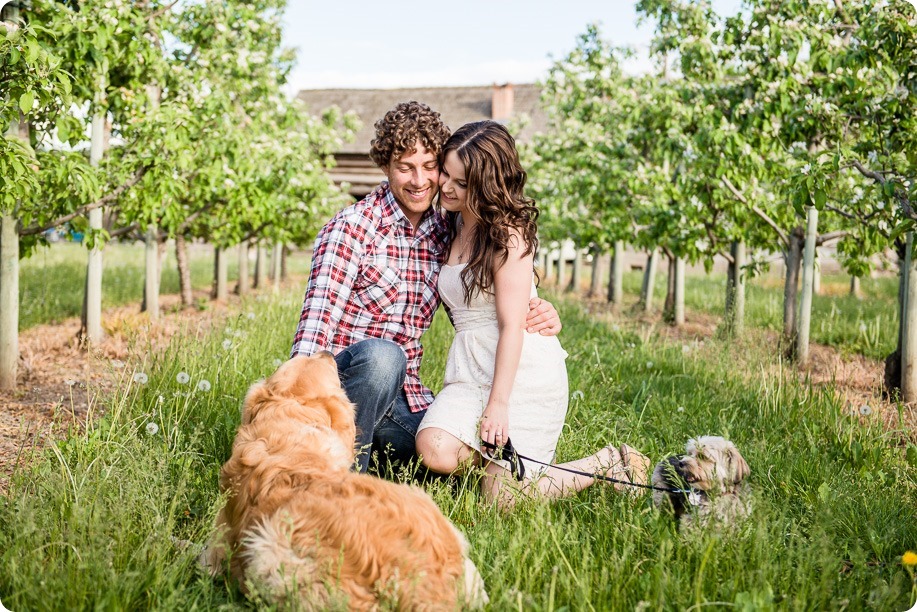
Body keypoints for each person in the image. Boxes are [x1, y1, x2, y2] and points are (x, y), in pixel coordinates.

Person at [291, 101, 561, 474]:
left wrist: (537, 306)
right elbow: (312, 334)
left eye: (430, 167)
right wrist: (289, 412)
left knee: (444, 455)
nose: (420, 181)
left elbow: (477, 303)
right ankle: (342, 478)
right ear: (386, 167)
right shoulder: (353, 228)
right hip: (341, 395)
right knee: (384, 358)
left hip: (404, 398)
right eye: (405, 168)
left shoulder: (443, 232)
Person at [415, 121, 651, 508]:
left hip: (520, 372)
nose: (446, 187)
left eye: (461, 182)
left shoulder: (508, 235)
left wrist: (499, 404)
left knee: (500, 504)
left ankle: (607, 462)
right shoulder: (449, 222)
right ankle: (513, 466)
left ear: (486, 185)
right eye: (446, 173)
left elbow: (511, 327)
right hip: (470, 367)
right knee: (433, 448)